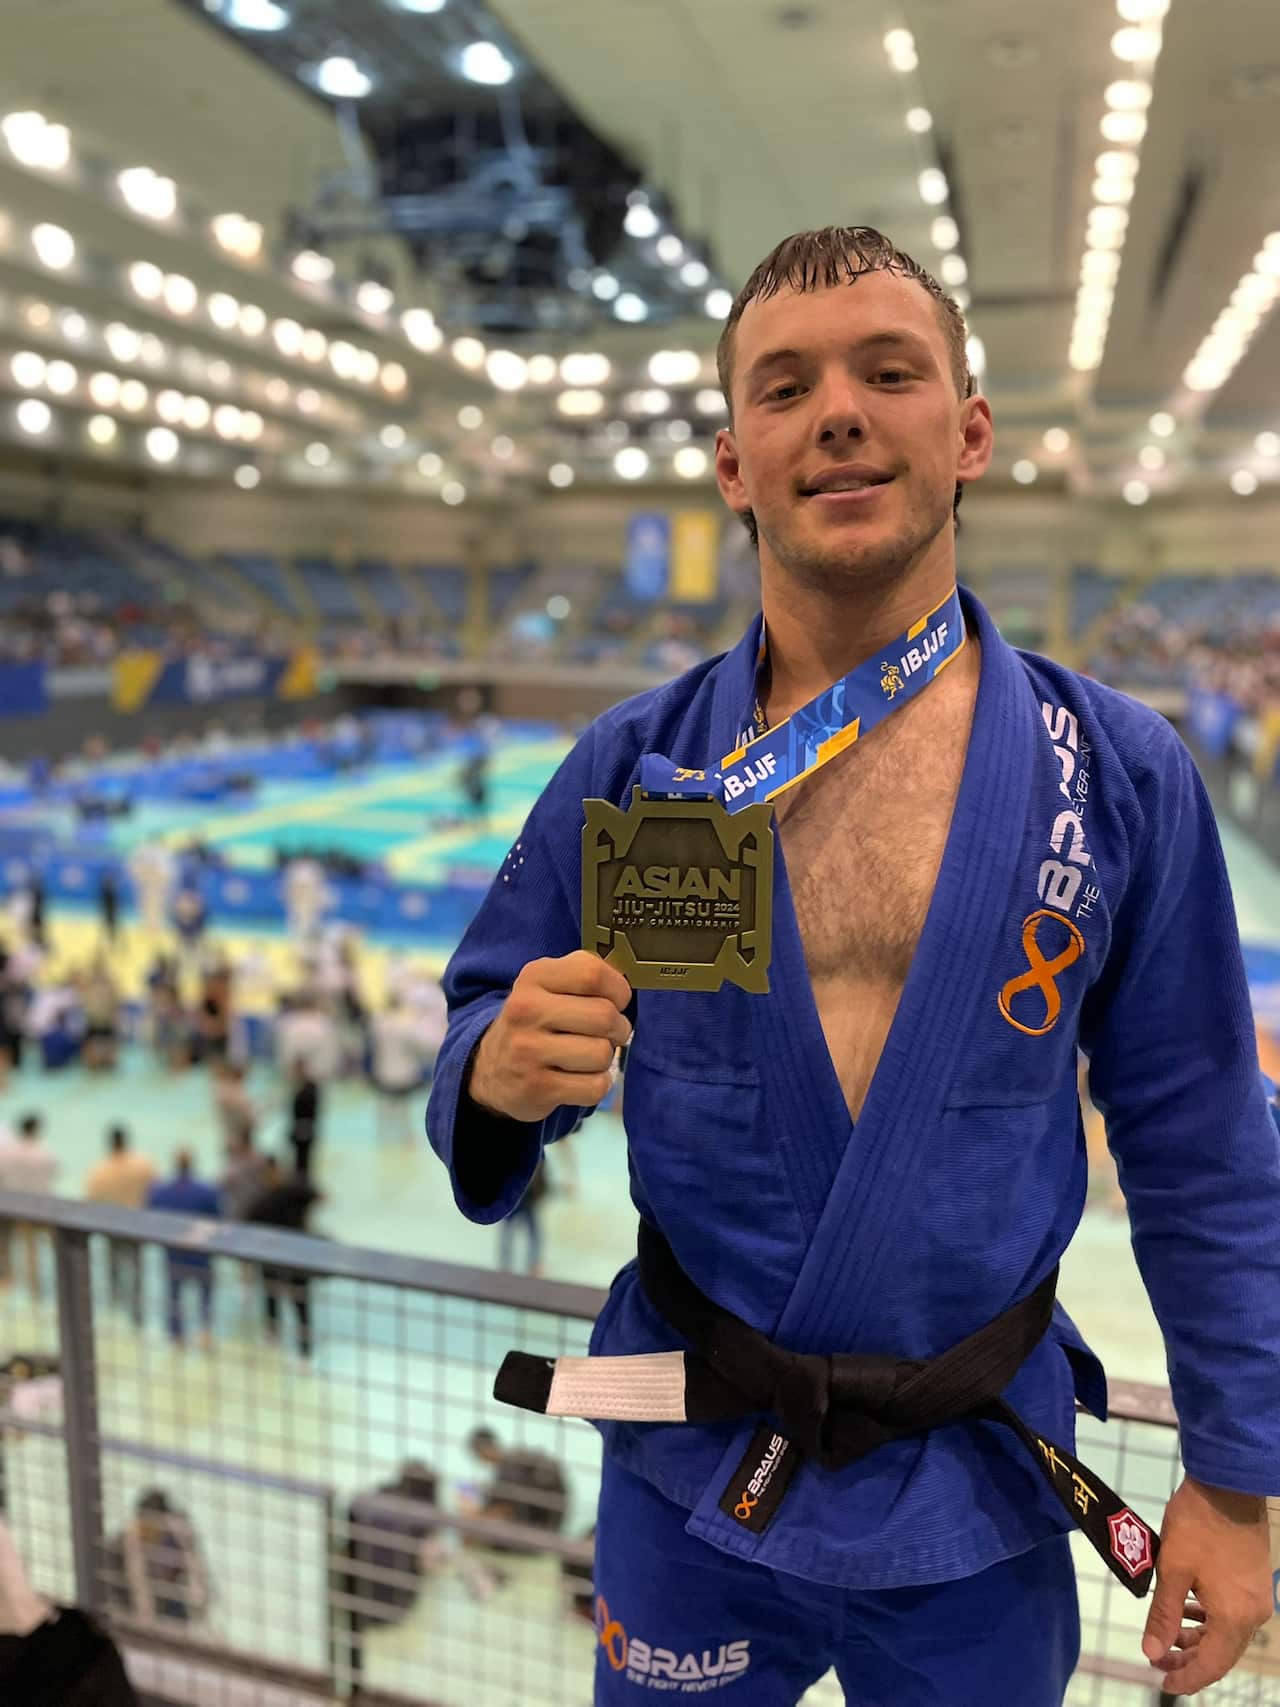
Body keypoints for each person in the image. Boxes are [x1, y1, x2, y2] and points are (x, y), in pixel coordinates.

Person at [427, 227, 1280, 1703]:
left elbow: (1204, 1137)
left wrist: (1241, 1474)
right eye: (784, 385)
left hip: (975, 1482)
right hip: (690, 1454)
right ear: (731, 462)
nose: (839, 411)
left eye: (890, 371)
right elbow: (482, 1035)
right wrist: (500, 1066)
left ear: (968, 431)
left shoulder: (1123, 777)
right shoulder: (630, 770)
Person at [345, 1460, 445, 1631]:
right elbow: (428, 1566)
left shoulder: (366, 1499)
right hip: (394, 1609)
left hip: (351, 1602)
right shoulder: (425, 1514)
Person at [244, 1156, 321, 1360]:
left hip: (292, 1258)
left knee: (298, 1303)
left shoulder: (288, 1193)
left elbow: (319, 1196)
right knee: (275, 1298)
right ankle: (278, 1338)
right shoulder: (266, 1200)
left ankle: (303, 1349)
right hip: (281, 1258)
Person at [84, 1126, 156, 1326]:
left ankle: (115, 1310)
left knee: (113, 1269)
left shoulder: (100, 1170)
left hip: (112, 1225)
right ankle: (137, 1314)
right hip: (137, 1224)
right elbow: (155, 1192)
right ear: (126, 1141)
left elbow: (91, 1200)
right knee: (137, 1270)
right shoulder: (143, 1164)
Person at [147, 1150, 219, 1348]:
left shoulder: (160, 1191)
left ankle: (176, 1337)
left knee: (174, 1296)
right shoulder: (207, 1191)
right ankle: (205, 1332)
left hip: (174, 1253)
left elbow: (150, 1216)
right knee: (205, 1296)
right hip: (201, 1253)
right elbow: (218, 1219)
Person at [113, 1490, 208, 1628]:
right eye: (145, 1524)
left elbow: (200, 1598)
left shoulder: (174, 1541)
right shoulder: (126, 1542)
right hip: (132, 1604)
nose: (149, 1531)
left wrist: (187, 1543)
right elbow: (138, 1592)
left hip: (165, 1602)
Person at [464, 1427, 568, 1552]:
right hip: (550, 1528)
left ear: (480, 1451)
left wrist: (476, 1517)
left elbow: (504, 1508)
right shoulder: (517, 1458)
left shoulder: (509, 1467)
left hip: (533, 1536)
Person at [0, 1115, 58, 1297]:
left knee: (19, 1250)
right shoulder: (44, 1154)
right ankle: (38, 1291)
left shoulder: (7, 1154)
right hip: (41, 1207)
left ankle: (9, 1283)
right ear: (36, 1129)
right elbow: (51, 1176)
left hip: (14, 1207)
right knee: (50, 1246)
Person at [369, 995, 436, 1144]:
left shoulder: (378, 1026)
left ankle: (383, 1134)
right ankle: (406, 1135)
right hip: (403, 1072)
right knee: (404, 1106)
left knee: (385, 1104)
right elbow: (419, 1046)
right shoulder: (404, 1027)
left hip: (383, 1071)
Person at [496, 1159, 547, 1277]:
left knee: (534, 1231)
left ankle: (534, 1263)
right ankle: (506, 1265)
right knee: (508, 1231)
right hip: (515, 1194)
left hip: (529, 1196)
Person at [287, 1058, 321, 1178]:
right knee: (298, 1161)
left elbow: (311, 1110)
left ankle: (302, 1183)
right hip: (299, 1128)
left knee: (304, 1161)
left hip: (305, 1128)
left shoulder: (309, 1088)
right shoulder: (299, 1087)